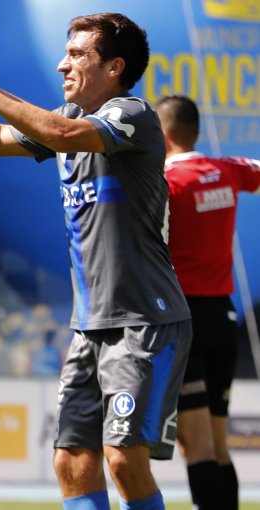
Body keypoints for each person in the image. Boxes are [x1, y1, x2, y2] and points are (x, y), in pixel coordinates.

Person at [0, 12, 192, 510]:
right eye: (65, 53)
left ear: (114, 67)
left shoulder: (133, 115)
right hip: (88, 327)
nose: (63, 64)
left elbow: (62, 136)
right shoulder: (67, 118)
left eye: (77, 55)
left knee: (123, 459)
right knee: (70, 460)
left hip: (144, 321)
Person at [156, 94, 260, 510]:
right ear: (196, 131)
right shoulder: (226, 171)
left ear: (162, 136)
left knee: (195, 446)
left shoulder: (163, 182)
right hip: (223, 319)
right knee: (218, 445)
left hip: (184, 323)